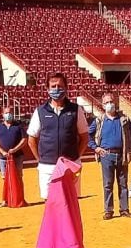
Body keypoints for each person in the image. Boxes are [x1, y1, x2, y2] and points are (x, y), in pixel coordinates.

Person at [27, 73, 89, 201]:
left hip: (70, 165)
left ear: (66, 88)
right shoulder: (40, 111)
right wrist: (41, 159)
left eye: (60, 86)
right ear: (47, 89)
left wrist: (76, 157)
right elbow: (31, 140)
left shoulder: (76, 110)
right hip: (47, 166)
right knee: (50, 203)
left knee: (70, 202)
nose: (56, 89)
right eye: (53, 86)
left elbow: (84, 137)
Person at [87, 92, 131, 220]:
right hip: (106, 155)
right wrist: (95, 148)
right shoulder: (99, 121)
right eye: (107, 102)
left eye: (111, 101)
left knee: (123, 183)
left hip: (122, 155)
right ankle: (108, 210)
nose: (110, 104)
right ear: (103, 105)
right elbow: (87, 135)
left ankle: (124, 209)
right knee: (108, 184)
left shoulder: (124, 119)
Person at [0, 106, 27, 207]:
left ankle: (21, 199)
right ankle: (5, 200)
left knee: (19, 177)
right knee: (5, 178)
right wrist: (2, 151)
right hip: (4, 157)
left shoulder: (18, 126)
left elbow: (24, 140)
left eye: (10, 112)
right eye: (6, 112)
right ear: (2, 114)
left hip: (17, 156)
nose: (8, 114)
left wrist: (15, 149)